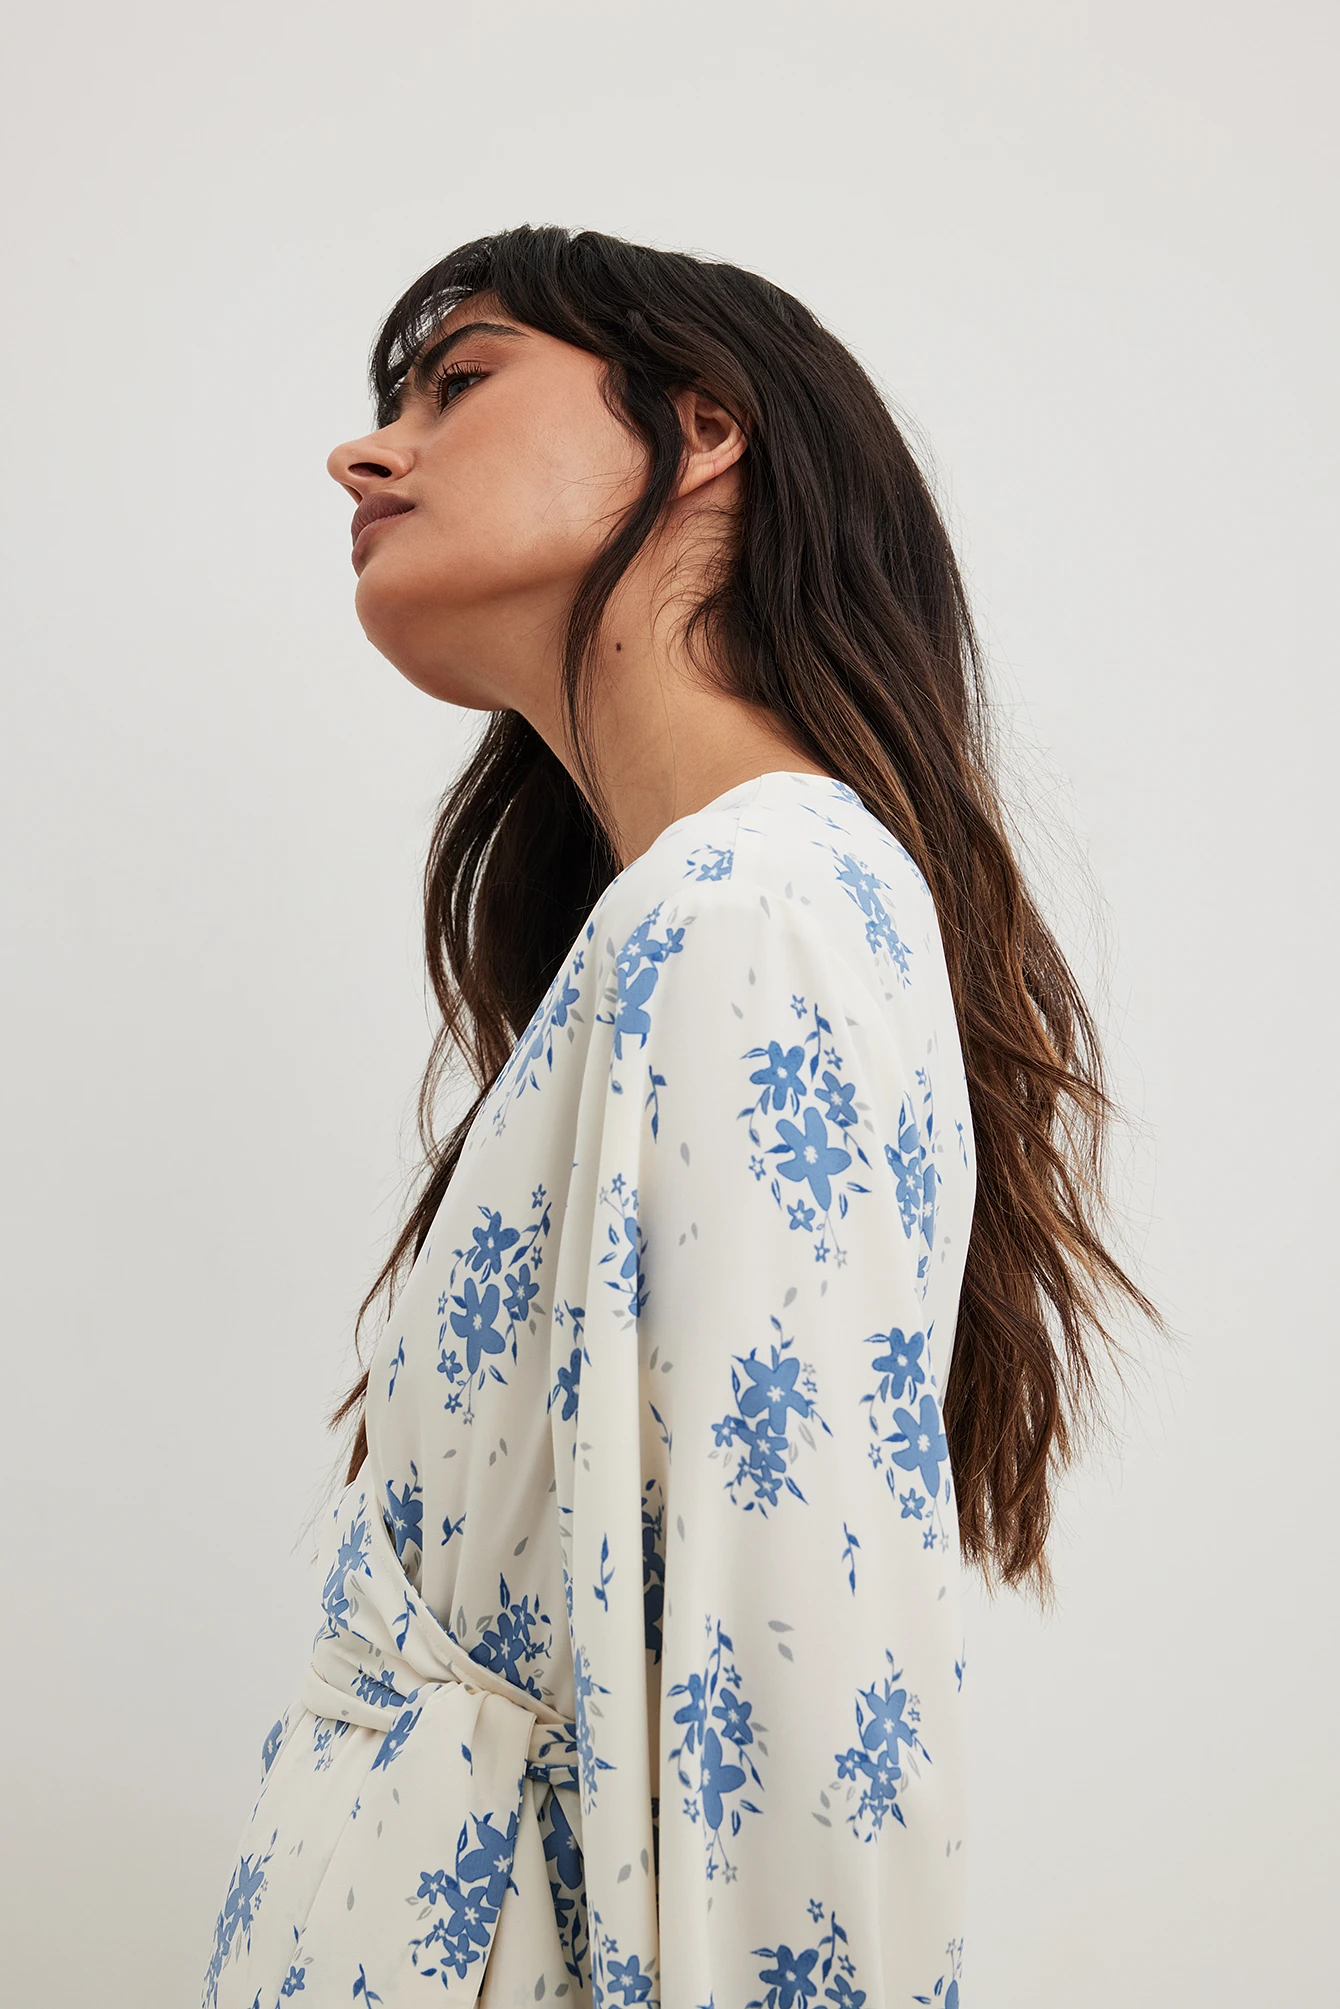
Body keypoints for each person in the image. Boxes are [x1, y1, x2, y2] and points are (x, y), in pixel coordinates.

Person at [200, 224, 1160, 2009]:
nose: (365, 452)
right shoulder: (690, 923)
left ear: (702, 427)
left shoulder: (756, 919)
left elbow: (803, 1691)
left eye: (459, 382)